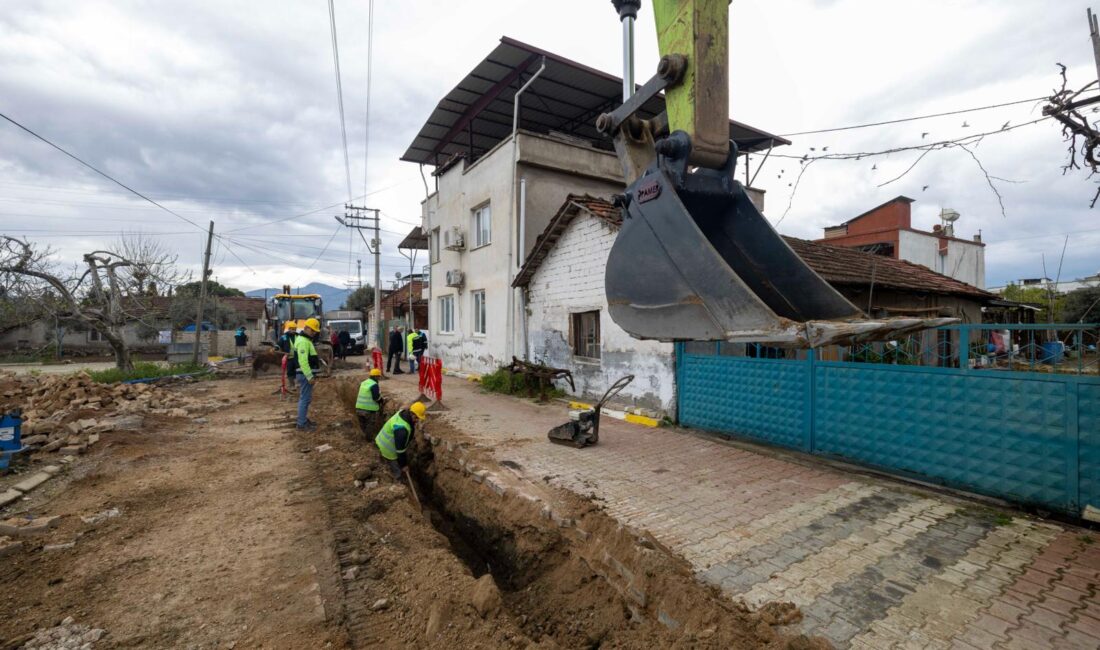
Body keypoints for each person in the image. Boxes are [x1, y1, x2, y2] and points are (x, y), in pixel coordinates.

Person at [375, 401, 426, 480]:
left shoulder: (403, 413)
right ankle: (398, 483)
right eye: (416, 418)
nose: (417, 420)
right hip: (387, 450)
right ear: (411, 413)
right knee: (397, 471)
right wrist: (404, 465)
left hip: (382, 441)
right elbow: (400, 451)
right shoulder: (401, 429)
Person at [295, 317, 322, 431]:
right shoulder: (303, 342)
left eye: (315, 331)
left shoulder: (305, 340)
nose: (314, 333)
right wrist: (309, 376)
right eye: (312, 330)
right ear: (306, 328)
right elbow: (303, 361)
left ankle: (303, 420)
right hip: (305, 374)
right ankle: (301, 423)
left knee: (306, 398)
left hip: (305, 374)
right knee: (305, 398)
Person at [355, 368, 384, 435]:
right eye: (379, 377)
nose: (379, 378)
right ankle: (368, 439)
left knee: (363, 424)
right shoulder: (374, 385)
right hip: (368, 410)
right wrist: (381, 401)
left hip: (358, 408)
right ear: (376, 376)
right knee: (370, 425)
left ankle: (364, 436)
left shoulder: (363, 382)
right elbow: (376, 398)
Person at [279, 321, 298, 391]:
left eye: (294, 329)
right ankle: (292, 385)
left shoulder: (298, 336)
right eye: (292, 329)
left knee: (298, 370)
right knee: (290, 371)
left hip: (297, 358)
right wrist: (276, 347)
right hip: (289, 358)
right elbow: (279, 344)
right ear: (289, 329)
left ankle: (297, 384)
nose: (293, 330)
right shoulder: (284, 337)